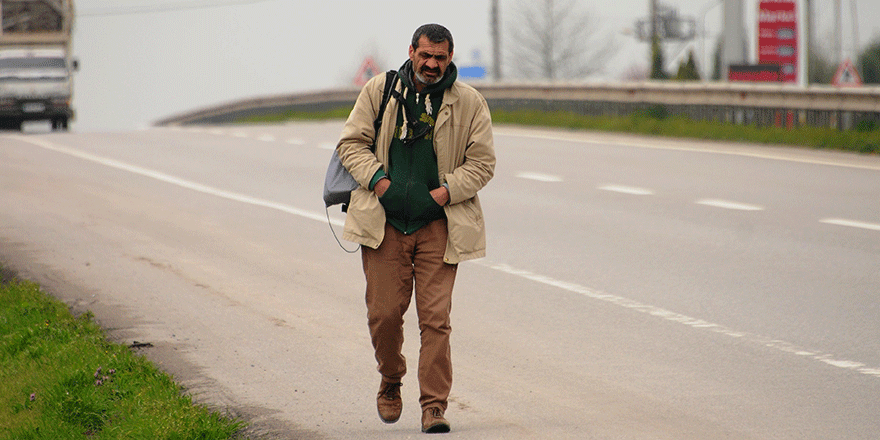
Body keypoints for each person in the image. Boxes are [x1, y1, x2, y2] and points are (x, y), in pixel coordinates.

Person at [335, 23, 495, 434]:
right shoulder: (380, 91)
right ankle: (391, 379)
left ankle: (434, 406)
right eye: (425, 55)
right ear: (411, 51)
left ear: (450, 58)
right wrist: (380, 183)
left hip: (439, 224)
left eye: (440, 58)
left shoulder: (469, 103)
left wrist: (443, 193)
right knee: (384, 314)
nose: (432, 64)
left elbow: (483, 164)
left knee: (436, 319)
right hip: (384, 224)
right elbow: (350, 144)